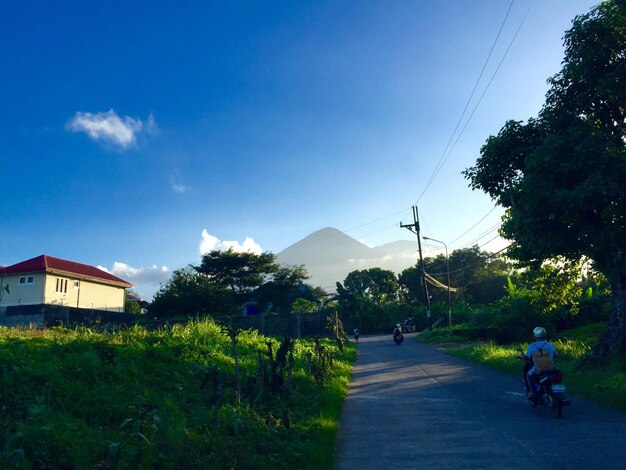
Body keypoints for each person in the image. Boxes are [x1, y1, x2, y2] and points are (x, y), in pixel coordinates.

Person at [517, 326, 558, 397]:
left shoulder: (532, 346)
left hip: (537, 369)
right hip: (550, 367)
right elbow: (555, 354)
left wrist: (520, 356)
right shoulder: (550, 345)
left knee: (528, 375)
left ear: (535, 336)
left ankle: (531, 391)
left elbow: (527, 357)